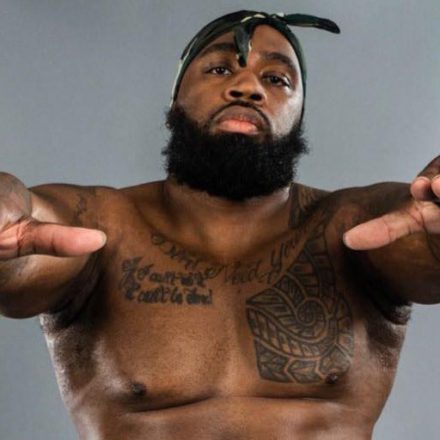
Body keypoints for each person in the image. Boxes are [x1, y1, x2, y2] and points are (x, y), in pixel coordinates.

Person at [0, 9, 439, 440]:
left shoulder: (355, 227)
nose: (247, 87)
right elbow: (24, 242)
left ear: (299, 114)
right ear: (176, 99)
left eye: (276, 79)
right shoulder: (100, 228)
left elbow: (424, 244)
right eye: (220, 69)